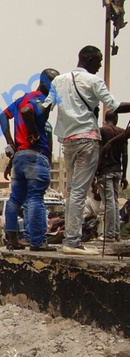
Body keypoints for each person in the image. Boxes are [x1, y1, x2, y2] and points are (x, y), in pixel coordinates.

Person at [43, 45, 130, 255]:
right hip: (87, 139)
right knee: (79, 192)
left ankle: (70, 237)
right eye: (98, 61)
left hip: (68, 141)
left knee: (72, 191)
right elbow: (115, 106)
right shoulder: (94, 81)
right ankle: (72, 242)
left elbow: (46, 107)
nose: (99, 66)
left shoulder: (58, 81)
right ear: (90, 60)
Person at [1, 68, 60, 251]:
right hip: (35, 155)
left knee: (15, 199)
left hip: (19, 156)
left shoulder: (23, 98)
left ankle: (13, 240)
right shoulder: (42, 100)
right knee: (35, 198)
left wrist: (11, 143)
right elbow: (27, 111)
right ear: (44, 83)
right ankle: (37, 241)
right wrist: (34, 134)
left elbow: (3, 116)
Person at [97, 112, 129, 241]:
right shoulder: (123, 132)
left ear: (105, 119)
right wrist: (124, 175)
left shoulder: (102, 131)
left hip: (105, 171)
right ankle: (116, 233)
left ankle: (109, 234)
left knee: (109, 202)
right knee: (114, 202)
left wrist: (96, 171)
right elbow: (125, 155)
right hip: (117, 171)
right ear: (116, 119)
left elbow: (99, 152)